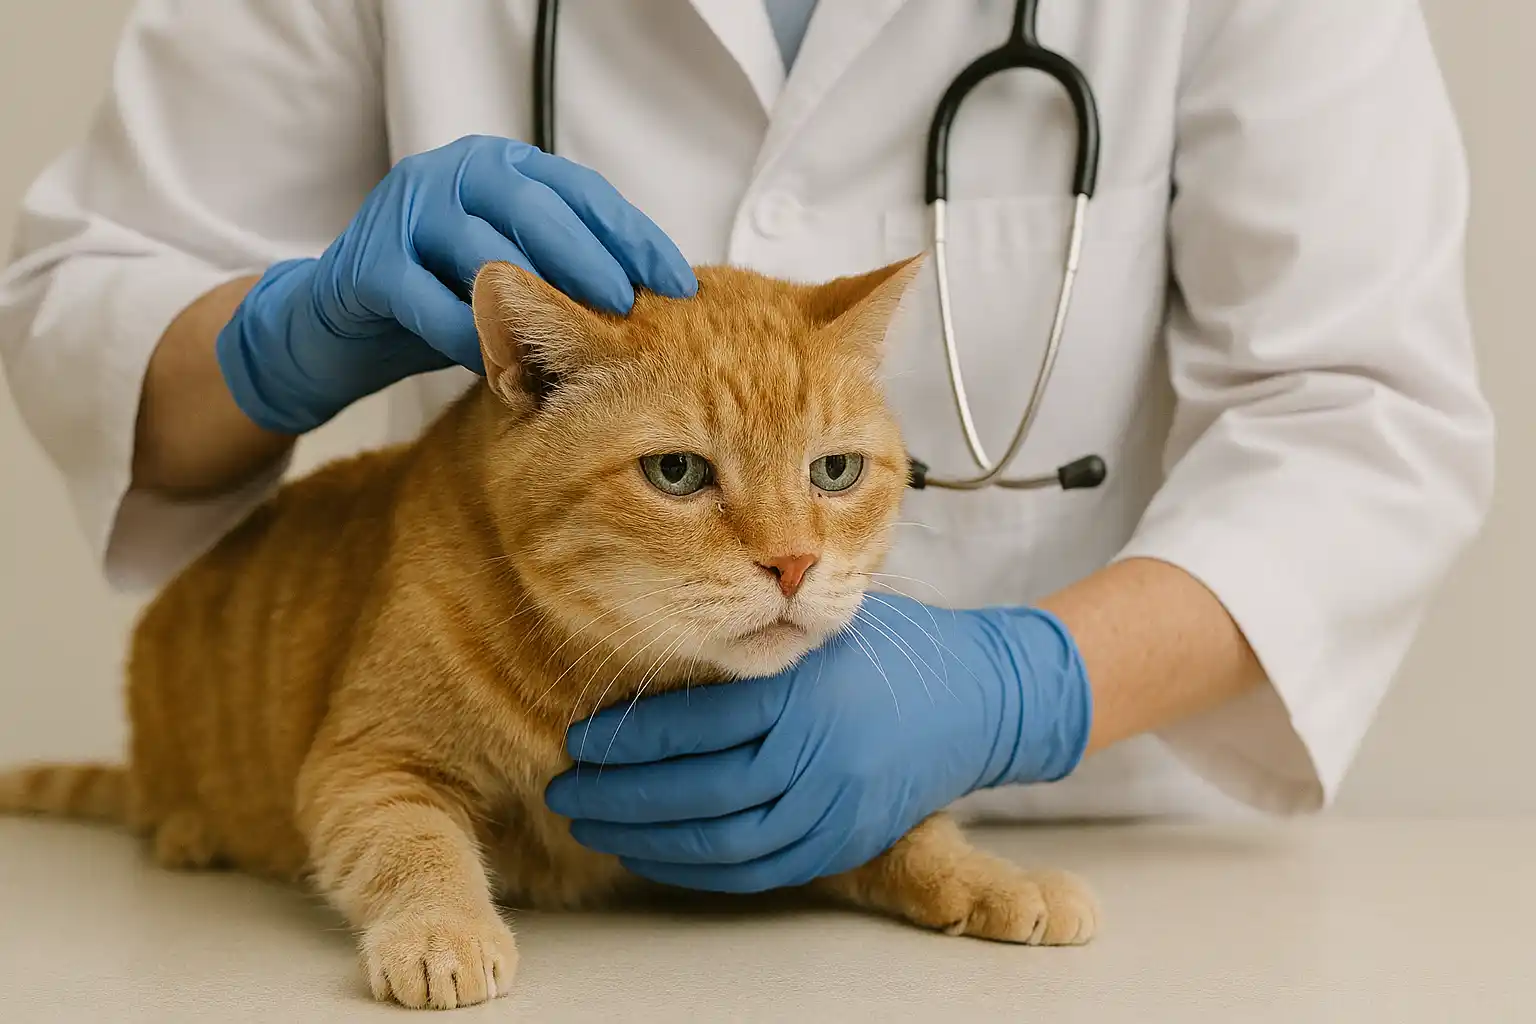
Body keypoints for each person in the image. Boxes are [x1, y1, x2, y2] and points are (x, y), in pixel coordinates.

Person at [0, 1, 1494, 892]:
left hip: (1069, 833)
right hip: (512, 811)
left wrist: (1028, 691)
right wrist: (278, 332)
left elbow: (1364, 409)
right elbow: (86, 298)